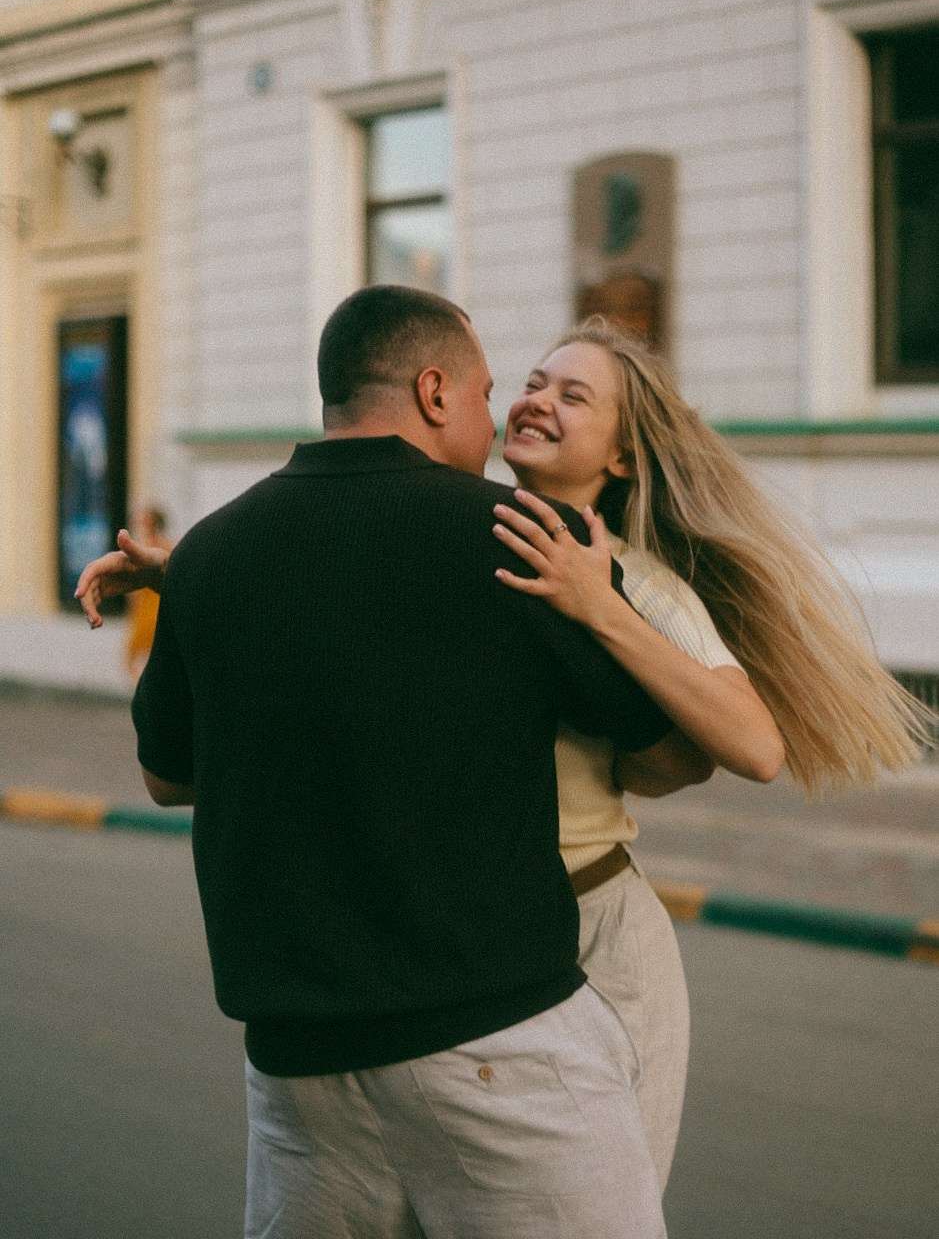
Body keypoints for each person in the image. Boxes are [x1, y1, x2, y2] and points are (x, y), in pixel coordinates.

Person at [79, 285, 723, 1239]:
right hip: (496, 1041)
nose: (493, 417)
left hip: (298, 1067)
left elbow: (168, 777)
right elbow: (668, 750)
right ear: (432, 392)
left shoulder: (211, 553)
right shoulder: (509, 537)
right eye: (484, 391)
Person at [488, 315, 933, 1187]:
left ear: (619, 459)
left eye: (572, 396)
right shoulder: (460, 535)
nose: (537, 401)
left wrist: (600, 605)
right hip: (484, 941)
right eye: (535, 382)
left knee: (610, 1205)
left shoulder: (642, 584)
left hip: (601, 943)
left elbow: (756, 748)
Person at [124, 506, 172, 682]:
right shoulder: (168, 546)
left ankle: (143, 690)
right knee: (157, 655)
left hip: (147, 609)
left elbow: (134, 588)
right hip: (160, 607)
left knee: (131, 656)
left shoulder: (145, 548)